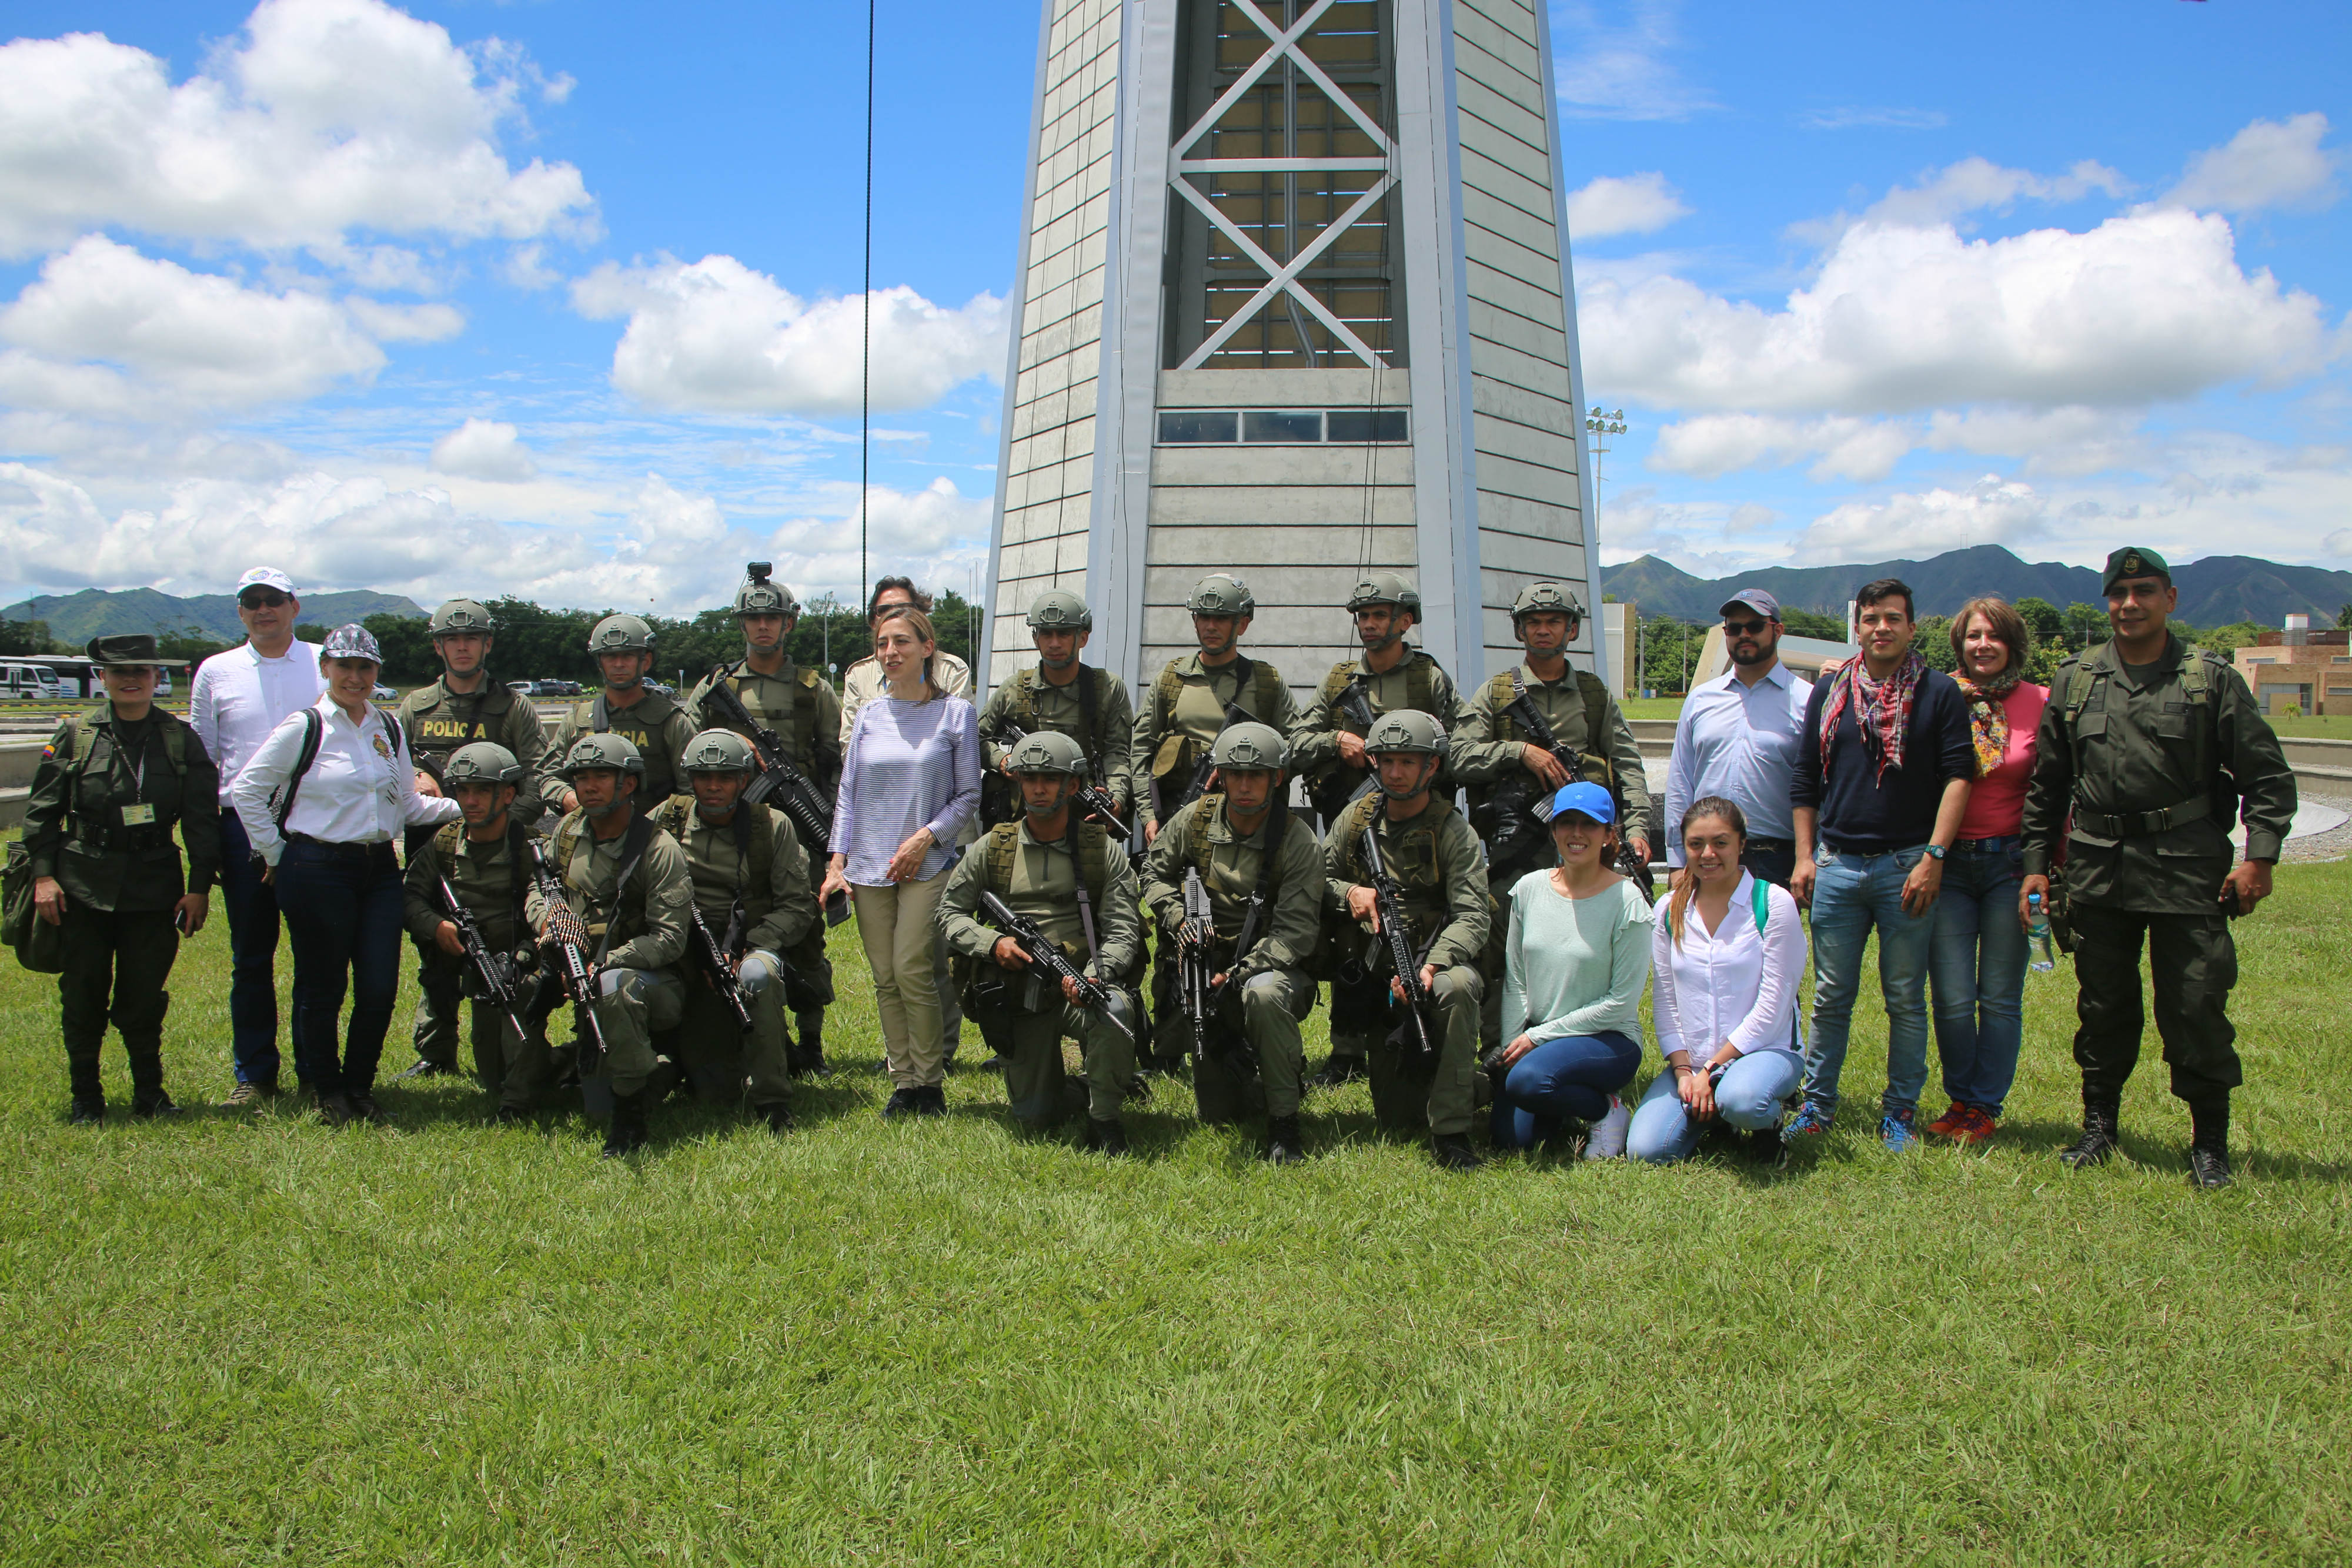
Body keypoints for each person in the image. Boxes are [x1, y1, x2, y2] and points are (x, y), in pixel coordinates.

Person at [2020, 547, 2296, 1189]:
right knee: (2103, 1005)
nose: (2129, 604)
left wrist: (2261, 859)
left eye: (2143, 591)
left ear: (2170, 598)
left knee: (2195, 1003)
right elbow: (2048, 785)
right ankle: (2098, 1129)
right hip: (2096, 868)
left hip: (2186, 869)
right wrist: (2037, 865)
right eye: (2118, 593)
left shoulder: (2209, 679)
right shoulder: (2077, 679)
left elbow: (2267, 777)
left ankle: (2209, 1146)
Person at [231, 624, 460, 1126]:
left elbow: (408, 803)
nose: (355, 677)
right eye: (345, 666)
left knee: (379, 986)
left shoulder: (387, 727)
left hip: (378, 867)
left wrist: (473, 806)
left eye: (365, 667)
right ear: (326, 669)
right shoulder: (306, 726)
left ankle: (360, 1084)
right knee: (323, 986)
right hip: (315, 867)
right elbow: (246, 790)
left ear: (377, 671)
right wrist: (275, 854)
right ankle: (327, 1090)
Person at [1786, 579, 1974, 1152]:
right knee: (1831, 995)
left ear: (1912, 628)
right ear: (1857, 627)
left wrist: (1934, 857)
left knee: (1903, 996)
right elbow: (1804, 780)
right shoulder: (1829, 692)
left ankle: (1899, 1112)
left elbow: (1958, 776)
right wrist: (1803, 856)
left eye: (1893, 618)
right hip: (1837, 865)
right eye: (1871, 618)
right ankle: (1816, 1107)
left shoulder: (1939, 693)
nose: (1881, 628)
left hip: (1906, 867)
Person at [1452, 581, 1651, 1061]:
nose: (1544, 630)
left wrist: (1640, 827)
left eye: (1554, 622)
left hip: (1584, 839)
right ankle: (1500, 1048)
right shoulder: (1498, 692)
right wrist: (1520, 752)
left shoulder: (1592, 693)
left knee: (1586, 946)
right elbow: (1457, 754)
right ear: (1521, 629)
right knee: (1503, 947)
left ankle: (1579, 1044)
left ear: (1572, 629)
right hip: (1516, 844)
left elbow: (1626, 763)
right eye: (1534, 623)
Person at [25, 634, 220, 1123]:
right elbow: (42, 814)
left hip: (154, 885)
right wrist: (44, 878)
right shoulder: (75, 735)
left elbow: (201, 820)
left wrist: (198, 887)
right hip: (82, 884)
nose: (130, 680)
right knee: (83, 991)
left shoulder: (179, 739)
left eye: (141, 672)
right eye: (119, 673)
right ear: (103, 679)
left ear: (157, 678)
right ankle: (85, 1097)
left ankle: (150, 1095)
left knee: (143, 995)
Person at [1291, 571, 1475, 1086]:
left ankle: (1413, 1026)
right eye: (1363, 617)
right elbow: (1295, 741)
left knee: (1415, 922)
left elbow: (1461, 747)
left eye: (1379, 616)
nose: (1369, 625)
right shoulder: (1339, 680)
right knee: (1353, 928)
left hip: (1418, 828)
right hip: (1354, 825)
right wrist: (1337, 741)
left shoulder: (1429, 680)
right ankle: (1347, 1049)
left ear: (1405, 621)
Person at [938, 730, 1144, 1152]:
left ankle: (1104, 1120)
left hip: (1079, 984)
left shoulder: (1099, 850)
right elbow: (948, 913)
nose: (1037, 787)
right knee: (1035, 1119)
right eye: (1029, 777)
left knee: (1116, 1008)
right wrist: (991, 943)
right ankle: (1084, 1086)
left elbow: (1124, 929)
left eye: (1049, 778)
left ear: (1072, 786)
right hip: (1020, 990)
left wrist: (1095, 975)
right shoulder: (992, 847)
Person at [685, 563, 843, 1078]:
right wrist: (735, 746)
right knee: (730, 920)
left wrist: (834, 834)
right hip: (732, 826)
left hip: (799, 824)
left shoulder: (812, 687)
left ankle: (811, 1041)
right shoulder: (718, 687)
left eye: (773, 618)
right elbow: (687, 744)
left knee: (806, 934)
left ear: (790, 622)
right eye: (753, 620)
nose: (763, 627)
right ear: (741, 625)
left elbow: (833, 762)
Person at [1138, 722, 1323, 1162]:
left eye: (1256, 775)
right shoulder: (1196, 818)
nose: (1244, 785)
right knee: (1219, 1114)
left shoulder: (1297, 839)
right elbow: (1153, 872)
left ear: (1276, 778)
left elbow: (1294, 934)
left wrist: (1237, 976)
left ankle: (1285, 1124)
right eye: (1234, 774)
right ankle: (1273, 1075)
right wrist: (1180, 918)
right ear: (1219, 774)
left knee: (1262, 995)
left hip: (1269, 971)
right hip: (1205, 965)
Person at [822, 606, 981, 1116]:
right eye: (882, 645)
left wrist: (924, 840)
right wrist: (836, 862)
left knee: (913, 966)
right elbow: (848, 794)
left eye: (902, 643)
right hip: (870, 864)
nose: (890, 653)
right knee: (885, 975)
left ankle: (931, 1082)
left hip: (927, 863)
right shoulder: (869, 714)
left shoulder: (957, 713)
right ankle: (904, 1080)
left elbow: (968, 795)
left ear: (927, 648)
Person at [1322, 710, 1490, 1169]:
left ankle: (1453, 1131)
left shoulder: (1453, 829)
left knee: (1457, 989)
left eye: (1408, 762)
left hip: (1434, 963)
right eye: (1386, 761)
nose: (1395, 773)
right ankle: (1472, 1084)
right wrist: (1350, 892)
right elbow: (1314, 877)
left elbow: (1473, 915)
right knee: (1398, 1119)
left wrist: (1431, 966)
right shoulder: (1356, 820)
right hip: (1378, 973)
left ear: (1431, 767)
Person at [393, 597, 548, 1082]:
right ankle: (435, 1050)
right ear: (439, 647)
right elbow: (390, 777)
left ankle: (509, 1041)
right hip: (432, 850)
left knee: (499, 948)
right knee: (435, 952)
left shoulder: (512, 706)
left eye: (472, 639)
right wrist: (417, 778)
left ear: (487, 644)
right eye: (452, 640)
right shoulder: (414, 708)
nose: (462, 647)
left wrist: (494, 827)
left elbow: (538, 780)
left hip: (498, 850)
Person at [189, 565, 324, 1107]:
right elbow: (203, 760)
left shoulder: (323, 661)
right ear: (241, 611)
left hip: (311, 824)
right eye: (252, 601)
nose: (264, 609)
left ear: (295, 605)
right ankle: (256, 1074)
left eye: (274, 599)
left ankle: (316, 1070)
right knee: (251, 957)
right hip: (241, 827)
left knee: (316, 954)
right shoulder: (215, 671)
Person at [529, 734, 694, 1157]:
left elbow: (670, 938)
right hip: (580, 974)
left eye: (602, 775)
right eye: (581, 777)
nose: (589, 786)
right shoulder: (566, 832)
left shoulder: (658, 847)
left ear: (629, 784)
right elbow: (536, 887)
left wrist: (600, 966)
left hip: (650, 984)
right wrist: (547, 919)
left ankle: (631, 1117)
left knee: (615, 987)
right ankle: (548, 1069)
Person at [1923, 597, 2049, 1146]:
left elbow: (2054, 790)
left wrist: (2046, 869)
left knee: (1999, 994)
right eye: (1973, 635)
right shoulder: (1936, 697)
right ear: (1960, 642)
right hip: (1946, 864)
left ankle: (1985, 1104)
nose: (1983, 645)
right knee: (1950, 994)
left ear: (2013, 642)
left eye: (1994, 635)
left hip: (2010, 864)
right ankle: (1960, 1098)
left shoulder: (2042, 702)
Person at [649, 729, 815, 1134]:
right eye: (703, 777)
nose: (714, 786)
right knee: (713, 1089)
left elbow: (798, 904)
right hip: (681, 946)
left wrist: (752, 945)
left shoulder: (770, 827)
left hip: (749, 942)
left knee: (758, 976)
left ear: (744, 780)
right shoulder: (666, 819)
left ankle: (773, 1099)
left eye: (725, 777)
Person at [1626, 797, 1807, 1165]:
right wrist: (1683, 1073)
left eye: (1721, 843)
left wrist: (1711, 1071)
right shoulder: (1668, 908)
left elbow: (1773, 1007)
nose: (1708, 854)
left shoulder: (1773, 903)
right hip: (1693, 1064)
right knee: (1647, 1151)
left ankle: (1766, 1124)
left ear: (1742, 844)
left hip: (1764, 1052)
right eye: (1696, 844)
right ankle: (1717, 1117)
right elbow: (1665, 1001)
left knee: (1743, 1099)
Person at [1488, 783, 1651, 1158]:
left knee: (1529, 1083)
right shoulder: (1528, 888)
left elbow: (1621, 1003)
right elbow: (1515, 978)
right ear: (1553, 830)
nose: (1577, 834)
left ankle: (1604, 1110)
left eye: (1590, 825)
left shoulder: (1628, 901)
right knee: (1512, 1140)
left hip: (1607, 1039)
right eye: (1566, 823)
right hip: (1540, 1039)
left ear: (1610, 835)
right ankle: (1559, 1101)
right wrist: (1514, 1047)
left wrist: (1537, 1040)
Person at [399, 741, 549, 1121]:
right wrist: (435, 926)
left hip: (513, 961)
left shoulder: (530, 846)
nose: (471, 800)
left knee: (498, 1067)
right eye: (463, 790)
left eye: (483, 790)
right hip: (460, 952)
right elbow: (410, 896)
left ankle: (517, 1101)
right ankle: (434, 1056)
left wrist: (525, 956)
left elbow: (553, 913)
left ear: (508, 794)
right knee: (435, 976)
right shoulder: (446, 841)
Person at [1663, 589, 1813, 890]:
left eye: (1755, 626)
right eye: (1734, 628)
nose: (1744, 635)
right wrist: (1678, 860)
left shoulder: (1807, 700)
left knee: (1771, 938)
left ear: (1778, 630)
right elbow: (1681, 782)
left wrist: (1807, 857)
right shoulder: (1701, 699)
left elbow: (1817, 787)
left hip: (1776, 858)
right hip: (1708, 855)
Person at [1132, 573, 1298, 844]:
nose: (1211, 626)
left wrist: (1243, 767)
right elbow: (1140, 752)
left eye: (1221, 619)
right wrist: (1149, 814)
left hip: (1249, 823)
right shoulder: (1171, 680)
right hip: (1179, 817)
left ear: (1242, 624)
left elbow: (1296, 746)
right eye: (1203, 617)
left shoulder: (1267, 682)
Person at [977, 589, 1137, 828]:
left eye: (1063, 634)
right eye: (1046, 634)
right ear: (1035, 638)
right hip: (1020, 817)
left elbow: (1117, 752)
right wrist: (1002, 760)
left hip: (1081, 815)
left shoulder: (1107, 689)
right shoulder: (1014, 689)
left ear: (1082, 638)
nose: (1054, 643)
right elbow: (975, 738)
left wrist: (1116, 799)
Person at [535, 614, 697, 821]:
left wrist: (658, 826)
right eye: (610, 656)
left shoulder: (671, 720)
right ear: (600, 662)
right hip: (589, 832)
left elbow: (690, 788)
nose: (618, 664)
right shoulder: (578, 719)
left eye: (628, 656)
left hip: (654, 836)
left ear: (645, 661)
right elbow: (550, 776)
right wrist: (567, 797)